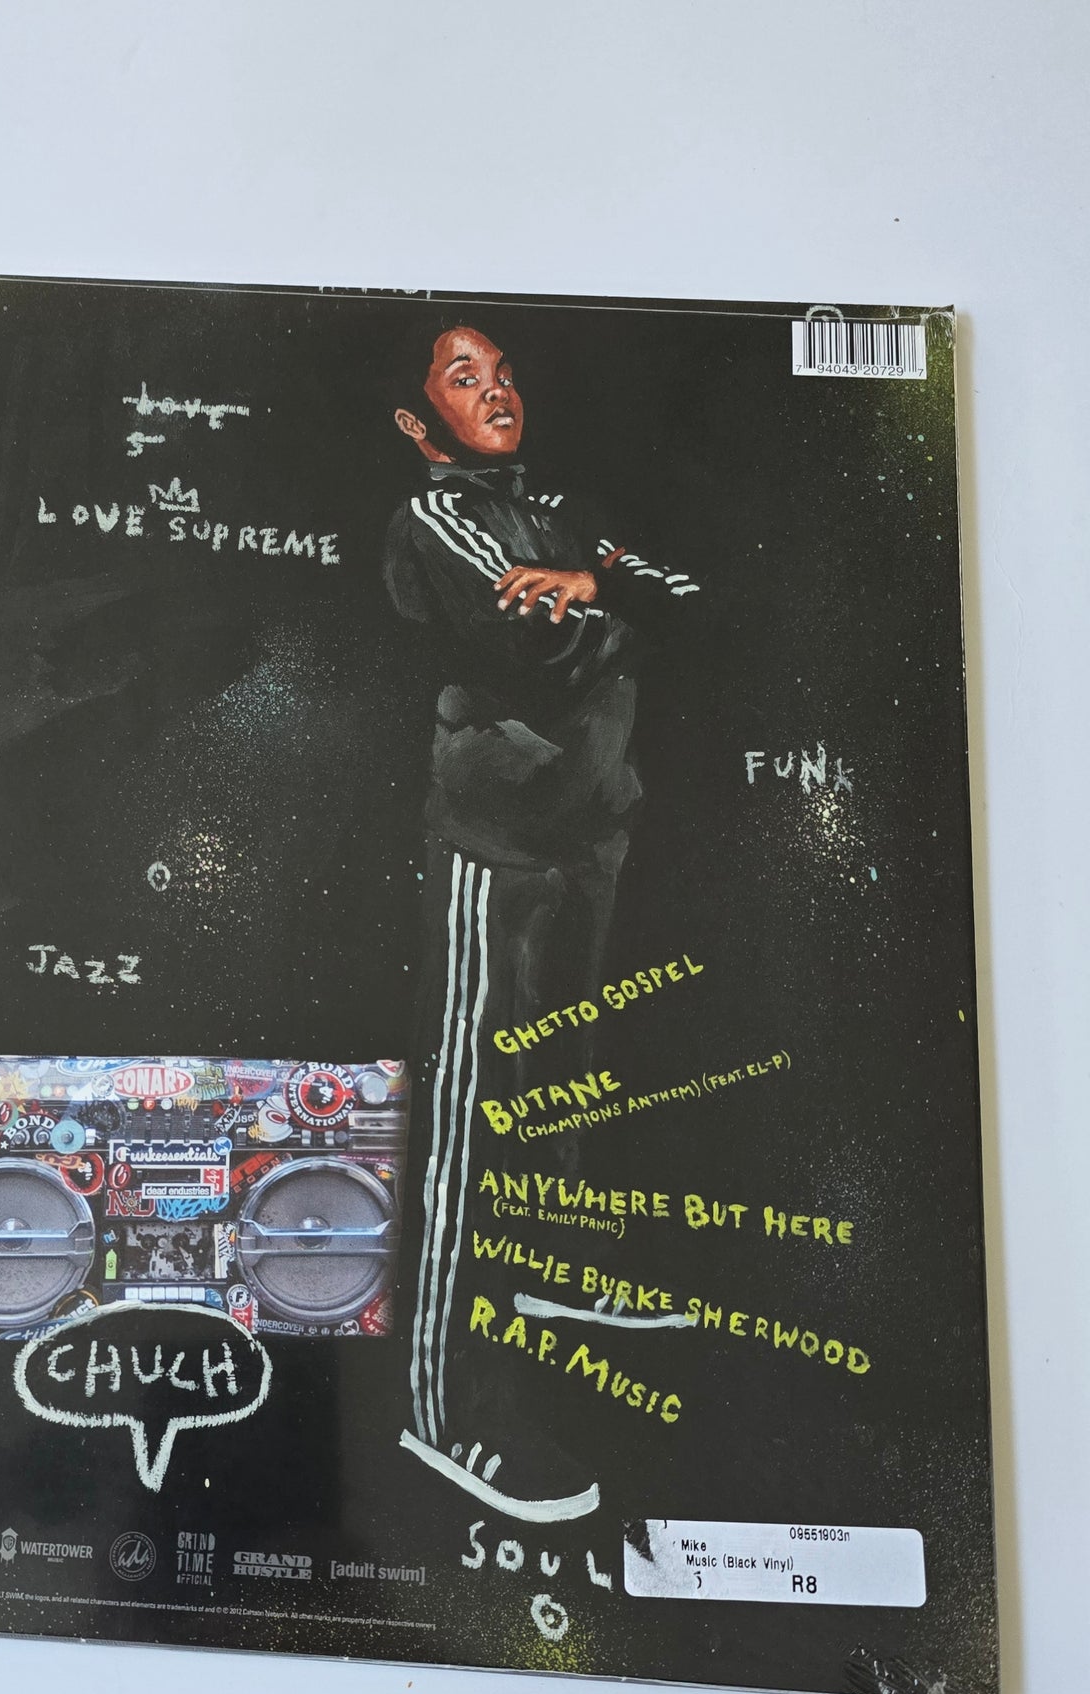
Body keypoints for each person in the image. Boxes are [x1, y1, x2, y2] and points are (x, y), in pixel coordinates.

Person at [382, 321, 705, 1517]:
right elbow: (540, 642)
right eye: (463, 378)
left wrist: (594, 584)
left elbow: (688, 600)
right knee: (467, 1121)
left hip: (588, 834)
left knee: (562, 1084)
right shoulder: (434, 518)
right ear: (420, 420)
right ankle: (447, 1414)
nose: (496, 391)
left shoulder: (562, 510)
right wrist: (601, 606)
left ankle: (554, 1273)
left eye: (503, 371)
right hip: (497, 846)